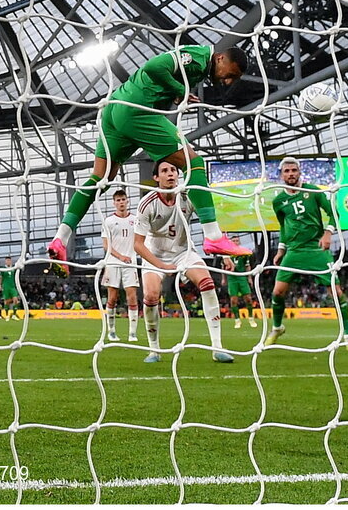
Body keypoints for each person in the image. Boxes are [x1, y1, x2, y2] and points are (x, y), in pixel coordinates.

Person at [47, 45, 252, 277]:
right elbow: (153, 67)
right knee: (195, 163)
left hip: (114, 111)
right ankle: (214, 236)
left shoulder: (200, 68)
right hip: (137, 110)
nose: (227, 81)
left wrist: (174, 91)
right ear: (221, 57)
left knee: (100, 179)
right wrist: (179, 90)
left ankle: (60, 240)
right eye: (230, 73)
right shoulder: (200, 56)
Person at [135, 160, 237, 364]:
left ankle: (217, 347)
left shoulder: (188, 196)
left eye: (173, 169)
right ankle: (154, 350)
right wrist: (162, 266)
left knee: (208, 284)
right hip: (155, 255)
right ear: (156, 178)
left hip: (183, 252)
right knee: (151, 295)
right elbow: (138, 244)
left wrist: (225, 254)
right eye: (165, 171)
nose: (170, 173)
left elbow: (211, 224)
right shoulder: (147, 203)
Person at [264, 157, 348, 351]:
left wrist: (328, 232)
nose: (290, 174)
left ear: (299, 172)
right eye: (287, 171)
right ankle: (277, 328)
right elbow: (284, 227)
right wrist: (281, 249)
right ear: (281, 175)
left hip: (317, 250)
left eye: (293, 170)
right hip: (294, 251)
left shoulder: (312, 191)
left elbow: (334, 212)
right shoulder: (279, 201)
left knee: (336, 292)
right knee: (277, 292)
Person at [100, 189, 141, 342]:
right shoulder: (109, 221)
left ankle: (132, 333)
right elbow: (106, 245)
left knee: (132, 297)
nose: (121, 202)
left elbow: (140, 241)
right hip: (113, 262)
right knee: (112, 298)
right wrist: (120, 256)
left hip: (130, 263)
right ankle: (111, 331)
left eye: (123, 199)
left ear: (127, 200)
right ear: (114, 203)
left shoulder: (135, 220)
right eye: (118, 200)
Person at [224, 235, 258, 329]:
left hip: (242, 277)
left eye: (237, 240)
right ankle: (237, 320)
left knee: (248, 299)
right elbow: (223, 266)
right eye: (233, 240)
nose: (235, 242)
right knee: (233, 300)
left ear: (239, 242)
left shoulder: (243, 253)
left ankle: (251, 318)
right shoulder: (226, 254)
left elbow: (247, 266)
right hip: (232, 278)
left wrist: (249, 278)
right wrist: (224, 279)